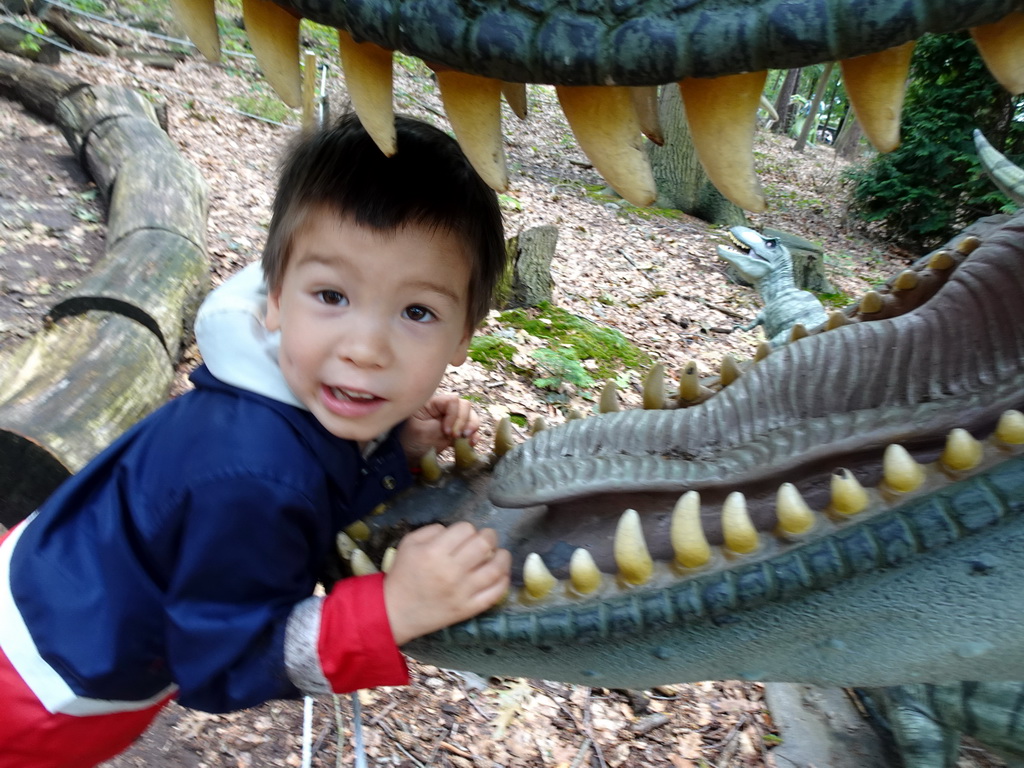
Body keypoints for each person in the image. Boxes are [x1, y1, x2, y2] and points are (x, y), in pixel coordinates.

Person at [0, 113, 512, 768]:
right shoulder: (250, 472)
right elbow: (221, 664)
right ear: (274, 298)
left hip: (50, 590)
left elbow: (314, 478)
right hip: (38, 696)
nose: (365, 349)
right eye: (331, 294)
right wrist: (389, 610)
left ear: (463, 334)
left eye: (417, 312)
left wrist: (394, 449)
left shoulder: (286, 393)